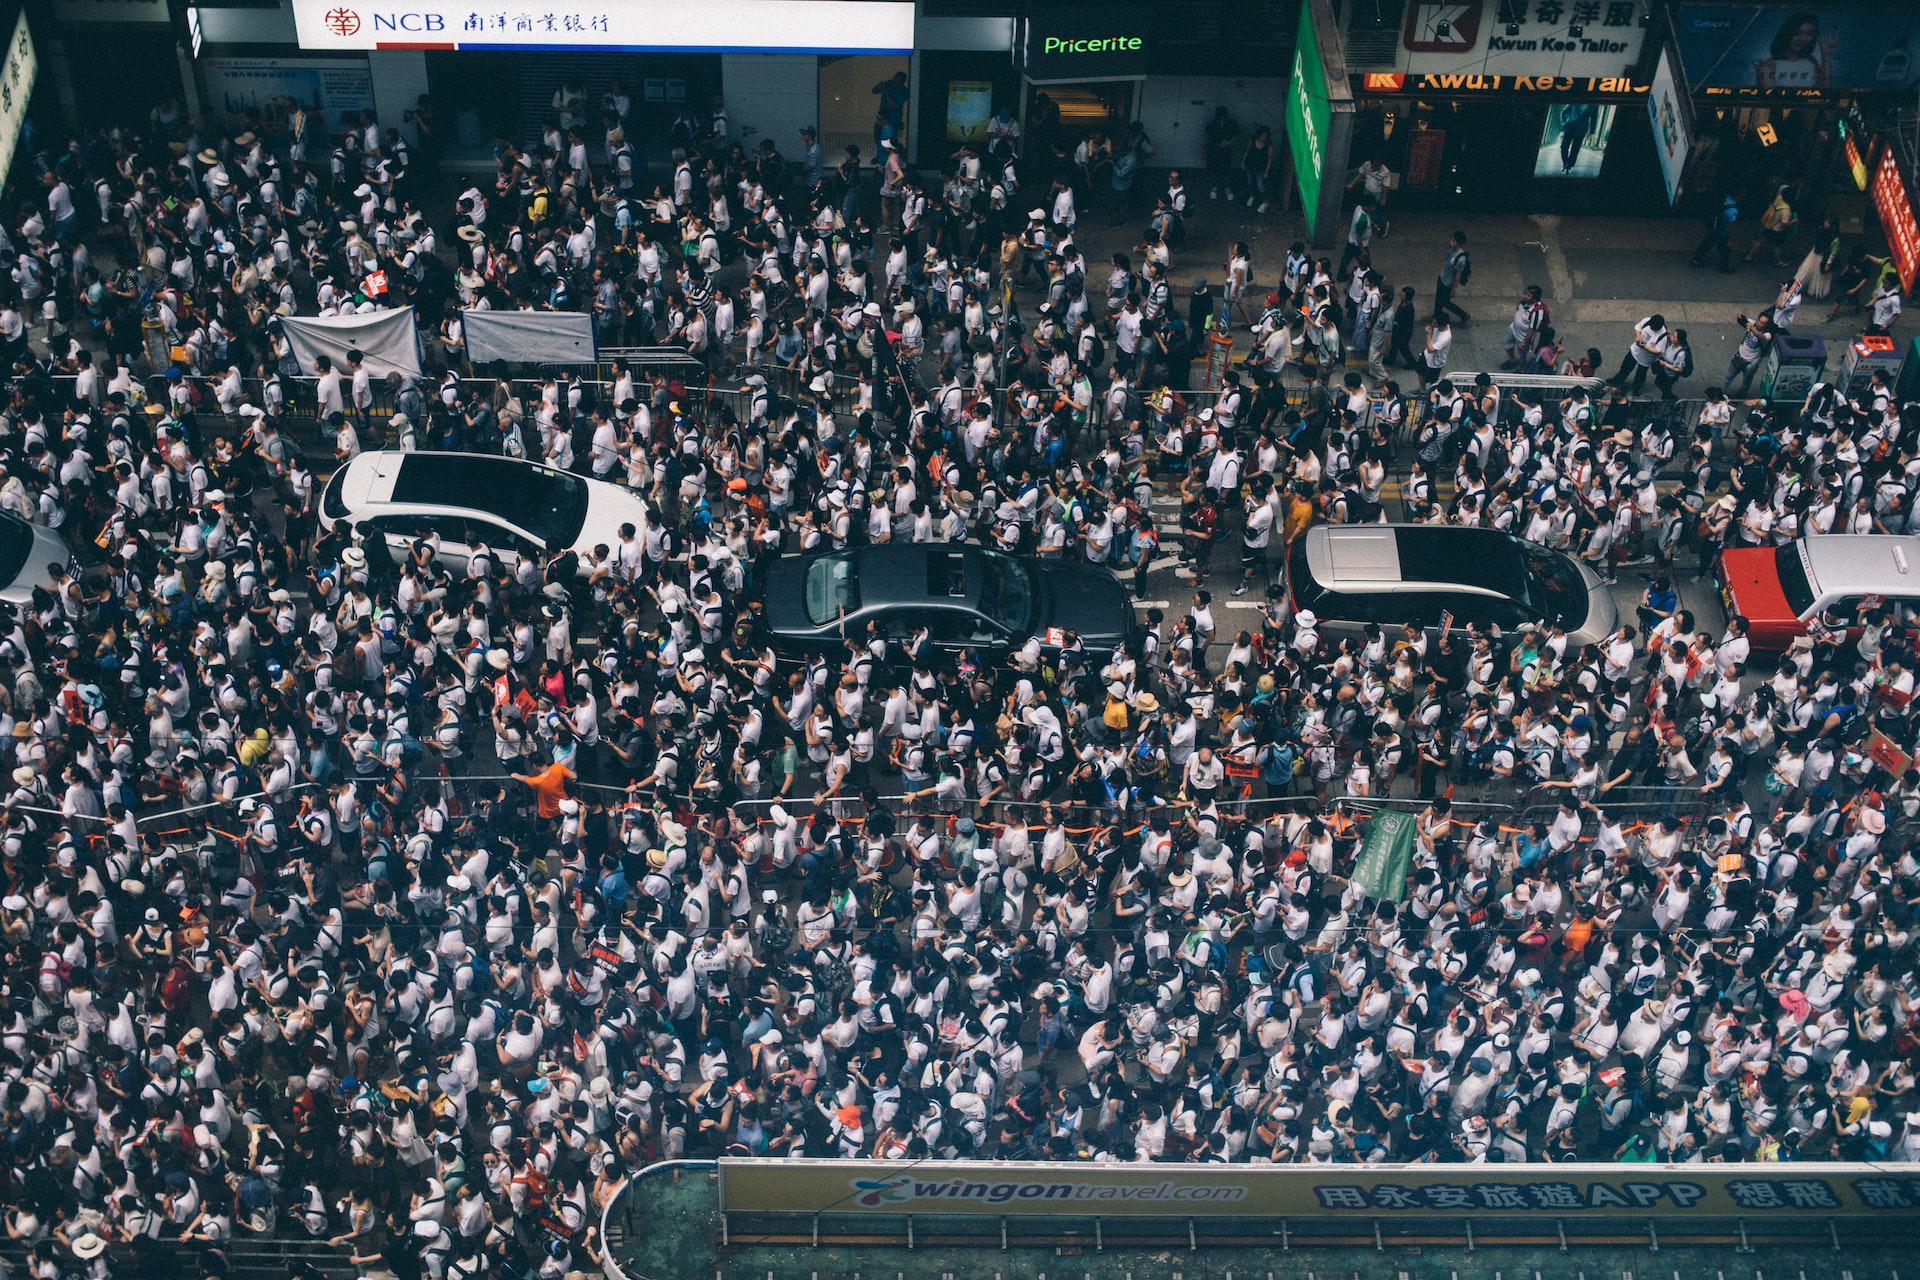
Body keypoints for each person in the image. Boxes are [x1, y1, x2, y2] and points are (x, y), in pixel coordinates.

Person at [1203, 106, 1242, 200]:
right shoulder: (1212, 124)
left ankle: (1227, 188)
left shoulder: (1231, 124)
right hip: (1212, 151)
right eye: (1219, 117)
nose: (1221, 119)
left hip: (1225, 152)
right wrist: (1203, 152)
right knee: (1213, 170)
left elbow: (1239, 136)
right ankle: (1214, 188)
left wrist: (1228, 142)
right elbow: (1206, 138)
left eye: (1223, 117)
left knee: (1226, 171)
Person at [1433, 231, 1471, 325]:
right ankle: (1436, 315)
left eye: (1453, 241)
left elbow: (1458, 275)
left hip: (1448, 283)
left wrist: (1453, 289)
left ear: (1459, 243)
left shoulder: (1461, 259)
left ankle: (1463, 314)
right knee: (1438, 299)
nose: (1450, 242)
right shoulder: (1451, 249)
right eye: (1451, 239)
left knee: (1445, 302)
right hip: (1442, 278)